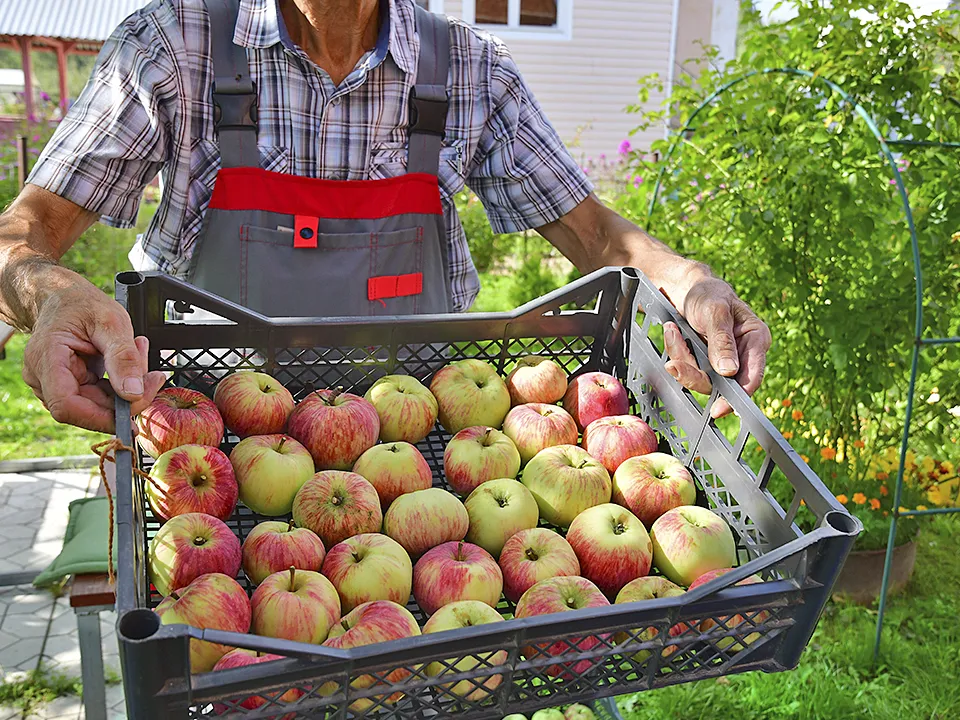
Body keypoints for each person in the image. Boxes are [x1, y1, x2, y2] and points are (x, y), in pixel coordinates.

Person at [0, 0, 770, 434]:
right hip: (212, 456)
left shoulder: (468, 72)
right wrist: (49, 296)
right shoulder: (172, 50)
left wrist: (688, 280)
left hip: (415, 472)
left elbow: (598, 237)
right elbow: (22, 235)